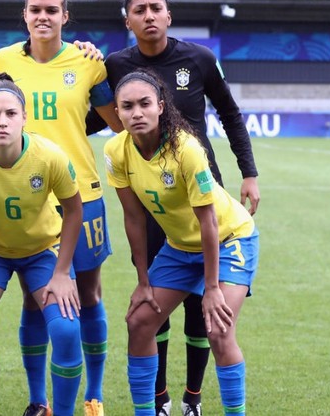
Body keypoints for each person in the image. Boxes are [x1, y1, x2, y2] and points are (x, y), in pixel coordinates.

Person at [88, 0, 261, 416]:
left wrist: (250, 172)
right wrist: (143, 281)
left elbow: (230, 114)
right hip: (161, 211)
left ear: (168, 15)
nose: (148, 16)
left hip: (214, 218)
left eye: (156, 8)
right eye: (139, 10)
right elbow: (88, 117)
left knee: (213, 319)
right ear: (127, 19)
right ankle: (157, 404)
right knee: (143, 317)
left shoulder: (198, 62)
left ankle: (197, 400)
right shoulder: (116, 76)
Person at [0, 0, 124, 416]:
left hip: (81, 193)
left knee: (87, 294)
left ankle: (95, 395)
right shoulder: (4, 61)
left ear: (65, 17)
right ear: (25, 15)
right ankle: (38, 401)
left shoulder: (88, 63)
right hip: (25, 195)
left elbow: (114, 121)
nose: (43, 17)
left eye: (52, 10)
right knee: (36, 296)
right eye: (35, 10)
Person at [104, 70, 258, 416]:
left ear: (160, 106)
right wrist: (143, 282)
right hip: (179, 247)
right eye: (127, 106)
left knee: (218, 330)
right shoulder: (116, 151)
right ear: (117, 112)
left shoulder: (186, 148)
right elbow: (133, 218)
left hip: (229, 238)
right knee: (139, 321)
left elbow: (208, 222)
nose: (137, 113)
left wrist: (212, 287)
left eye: (145, 104)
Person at [0, 73, 84, 416]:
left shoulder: (49, 156)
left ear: (25, 117)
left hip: (41, 253)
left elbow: (73, 210)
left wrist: (63, 272)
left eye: (11, 113)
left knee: (67, 330)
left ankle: (52, 409)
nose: (3, 121)